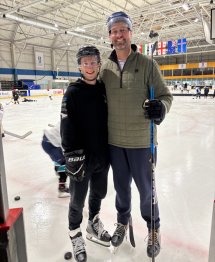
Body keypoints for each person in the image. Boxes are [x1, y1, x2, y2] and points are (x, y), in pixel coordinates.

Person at [100, 11, 173, 258]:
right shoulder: (105, 68)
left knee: (146, 191)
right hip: (114, 143)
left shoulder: (147, 64)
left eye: (122, 30)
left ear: (130, 33)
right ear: (109, 36)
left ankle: (154, 228)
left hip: (142, 143)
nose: (118, 35)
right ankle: (122, 222)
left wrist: (160, 107)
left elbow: (165, 96)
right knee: (121, 189)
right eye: (114, 31)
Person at [60, 45, 110, 262]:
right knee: (77, 201)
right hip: (80, 157)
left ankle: (93, 223)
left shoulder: (103, 89)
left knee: (98, 193)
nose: (90, 66)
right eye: (85, 63)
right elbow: (66, 125)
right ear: (80, 67)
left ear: (99, 64)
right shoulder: (72, 92)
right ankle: (75, 233)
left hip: (102, 155)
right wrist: (70, 156)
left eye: (93, 62)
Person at [41, 121, 69, 198]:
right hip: (50, 144)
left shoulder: (66, 119)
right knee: (63, 163)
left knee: (60, 160)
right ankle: (62, 189)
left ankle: (57, 170)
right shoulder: (70, 127)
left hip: (49, 142)